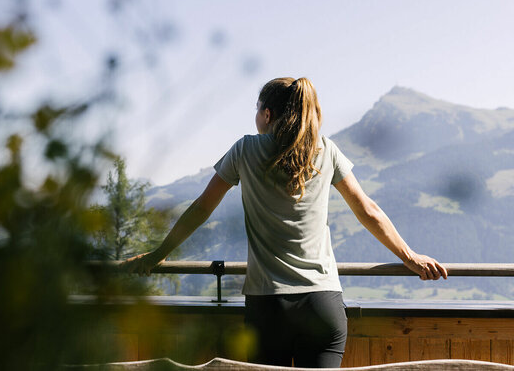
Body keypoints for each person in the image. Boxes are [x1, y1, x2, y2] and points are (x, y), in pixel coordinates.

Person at [121, 77, 448, 368]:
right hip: (323, 303)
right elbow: (368, 210)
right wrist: (410, 256)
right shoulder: (326, 150)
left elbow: (202, 207)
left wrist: (158, 253)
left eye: (256, 109)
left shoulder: (245, 149)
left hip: (269, 306)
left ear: (266, 114)